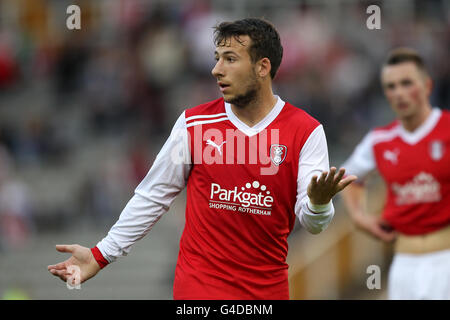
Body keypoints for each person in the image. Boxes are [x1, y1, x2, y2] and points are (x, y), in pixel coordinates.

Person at [48, 18, 356, 300]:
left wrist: (317, 203)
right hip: (199, 290)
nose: (217, 70)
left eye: (230, 59)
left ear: (263, 67)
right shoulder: (194, 123)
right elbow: (153, 195)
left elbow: (314, 224)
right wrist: (102, 254)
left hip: (266, 294)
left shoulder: (306, 131)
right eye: (217, 59)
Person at [341, 48, 450, 300]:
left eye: (406, 83)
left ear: (427, 86)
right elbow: (347, 179)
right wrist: (360, 218)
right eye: (390, 86)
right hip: (403, 263)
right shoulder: (379, 140)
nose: (398, 93)